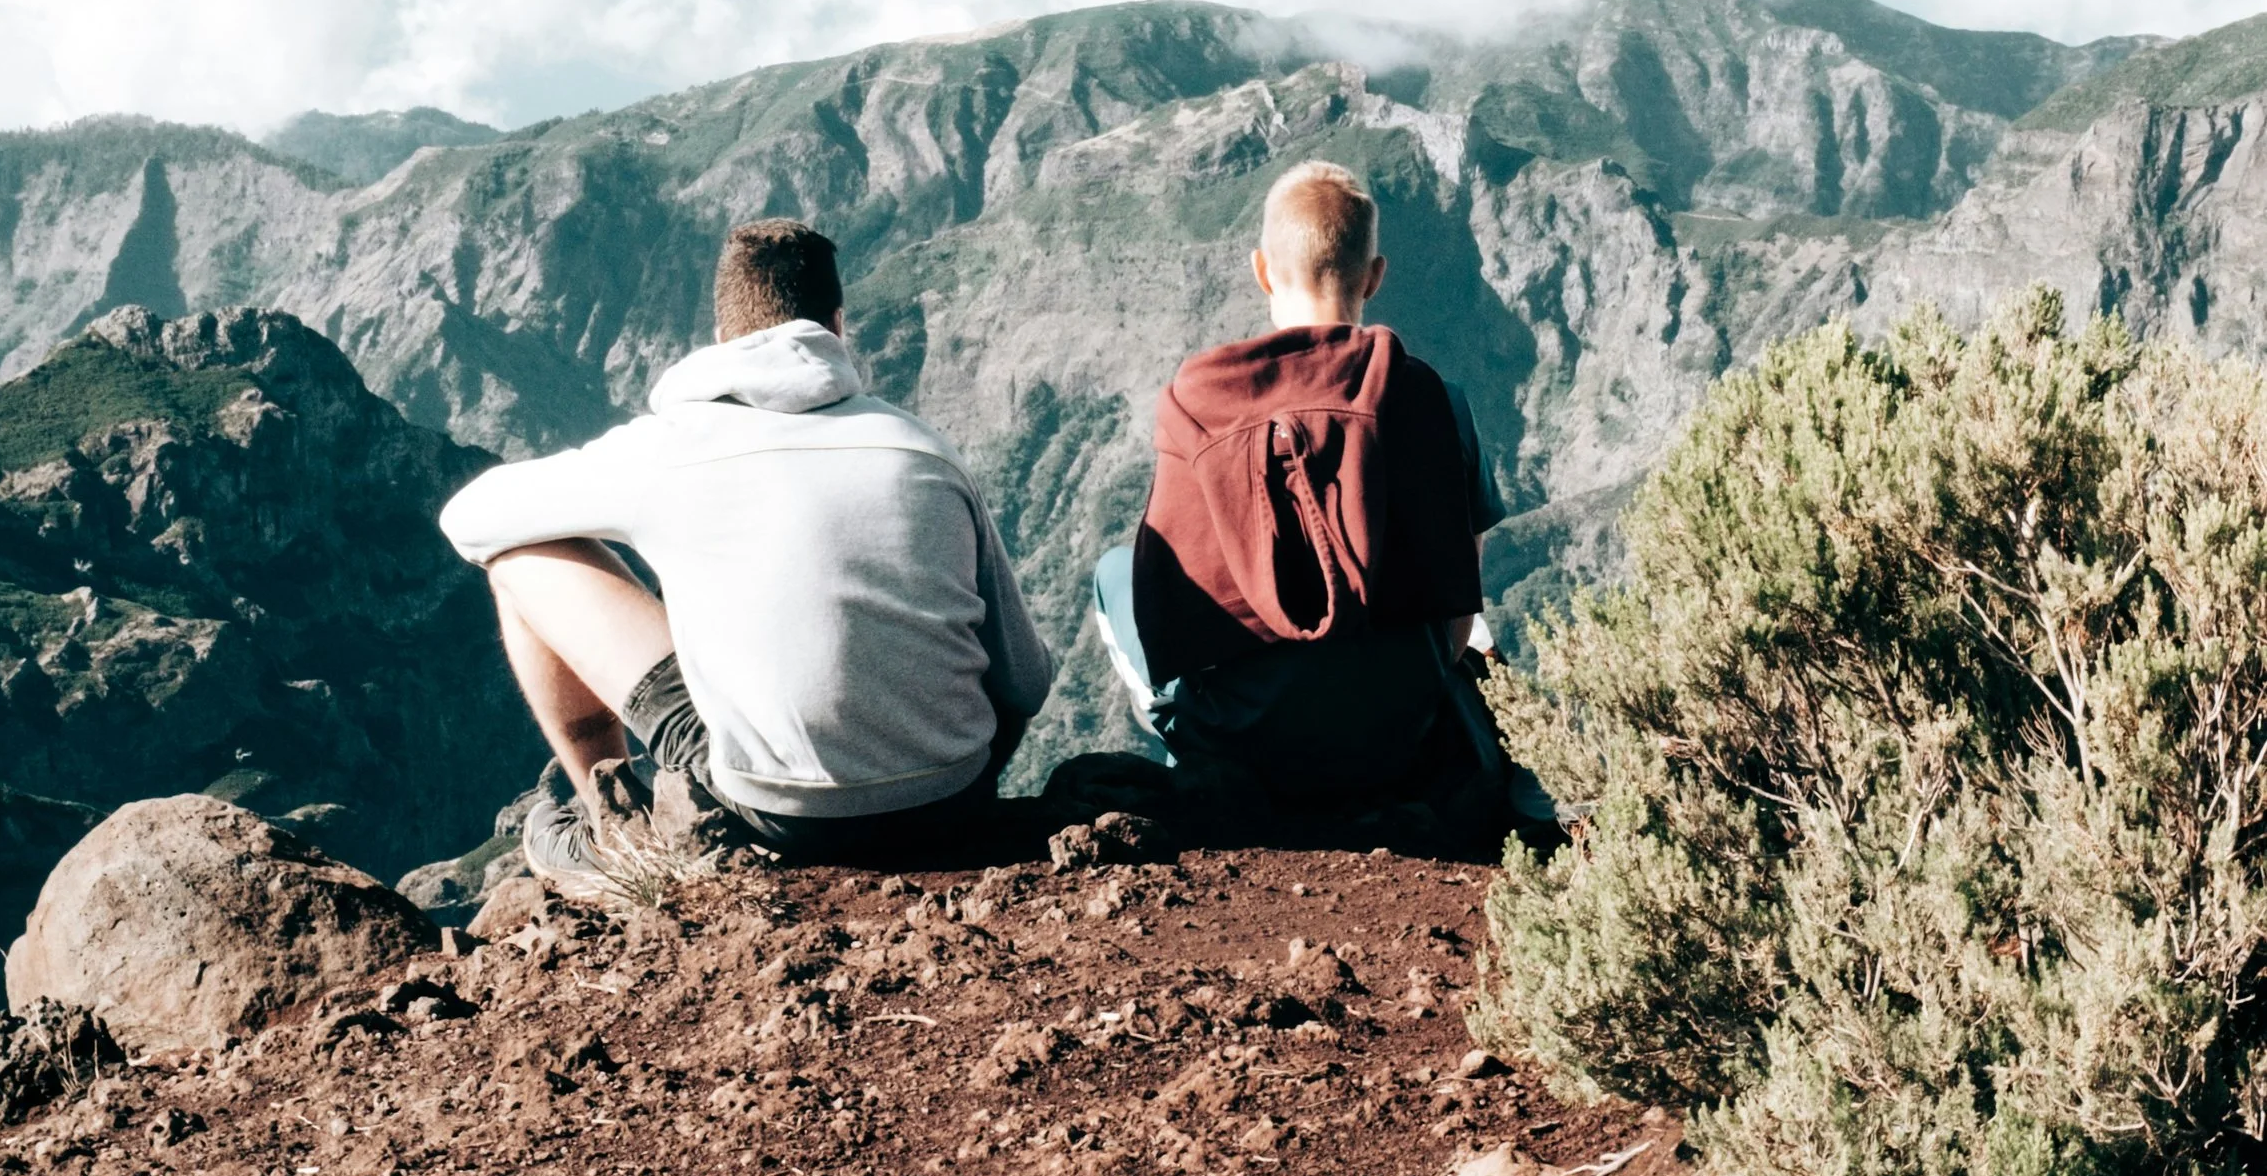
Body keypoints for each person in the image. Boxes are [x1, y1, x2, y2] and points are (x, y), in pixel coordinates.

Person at [440, 217, 1050, 889]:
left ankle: (613, 829)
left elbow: (467, 520)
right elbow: (1025, 680)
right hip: (951, 801)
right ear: (837, 326)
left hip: (779, 813)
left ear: (724, 336)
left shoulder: (668, 448)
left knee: (519, 558)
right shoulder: (923, 448)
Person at [1092, 158, 1545, 844]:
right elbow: (1457, 622)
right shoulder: (1434, 401)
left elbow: (1169, 618)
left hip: (1243, 741)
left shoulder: (1197, 401)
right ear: (1375, 275)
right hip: (1399, 735)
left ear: (1263, 271)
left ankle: (1202, 775)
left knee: (1112, 572)